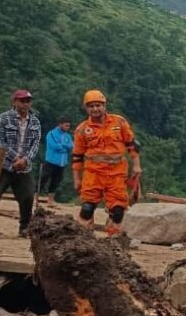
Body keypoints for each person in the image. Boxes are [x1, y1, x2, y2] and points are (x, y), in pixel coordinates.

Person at [72, 90, 142, 237]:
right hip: (93, 173)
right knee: (87, 208)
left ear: (104, 105)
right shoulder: (82, 129)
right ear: (86, 108)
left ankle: (113, 239)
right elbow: (77, 156)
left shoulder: (119, 122)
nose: (95, 109)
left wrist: (136, 165)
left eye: (98, 105)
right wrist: (77, 179)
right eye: (91, 106)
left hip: (116, 172)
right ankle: (83, 238)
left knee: (118, 210)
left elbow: (132, 144)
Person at [0, 90, 42, 239]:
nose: (25, 104)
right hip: (3, 165)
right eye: (22, 101)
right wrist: (16, 158)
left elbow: (35, 145)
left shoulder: (35, 122)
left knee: (28, 196)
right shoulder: (3, 118)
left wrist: (25, 160)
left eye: (28, 101)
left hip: (24, 167)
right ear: (14, 102)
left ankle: (24, 228)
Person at [39, 118, 74, 203]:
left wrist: (63, 146)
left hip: (62, 163)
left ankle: (50, 199)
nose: (68, 127)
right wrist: (65, 147)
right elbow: (55, 146)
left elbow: (72, 146)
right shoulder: (52, 133)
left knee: (56, 181)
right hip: (51, 160)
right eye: (66, 125)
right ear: (60, 124)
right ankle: (35, 195)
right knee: (44, 178)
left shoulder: (67, 136)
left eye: (69, 125)